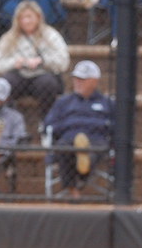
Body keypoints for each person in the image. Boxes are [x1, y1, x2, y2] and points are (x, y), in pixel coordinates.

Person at [43, 60, 113, 199]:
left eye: (82, 79)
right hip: (68, 138)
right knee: (64, 148)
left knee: (92, 151)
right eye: (76, 78)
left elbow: (116, 125)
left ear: (94, 81)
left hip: (96, 140)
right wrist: (64, 128)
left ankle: (74, 188)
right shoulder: (64, 102)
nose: (77, 82)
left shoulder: (107, 103)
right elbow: (48, 124)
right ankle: (80, 174)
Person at [0, 0, 70, 120]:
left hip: (42, 74)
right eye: (22, 18)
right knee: (4, 84)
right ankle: (8, 121)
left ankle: (46, 123)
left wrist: (42, 61)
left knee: (48, 84)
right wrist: (15, 62)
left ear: (38, 17)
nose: (26, 21)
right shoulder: (9, 37)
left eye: (29, 17)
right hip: (19, 75)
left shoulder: (51, 35)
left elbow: (63, 61)